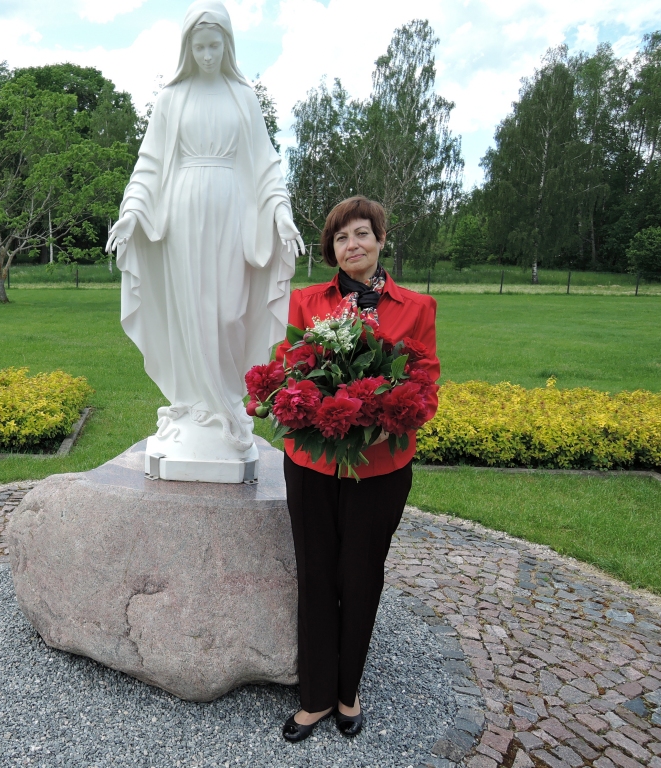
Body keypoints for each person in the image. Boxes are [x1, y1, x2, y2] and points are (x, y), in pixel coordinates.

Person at [106, 0, 303, 466]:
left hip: (233, 212)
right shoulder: (172, 99)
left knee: (229, 313)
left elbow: (265, 162)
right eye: (201, 45)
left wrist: (280, 212)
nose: (209, 54)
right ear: (188, 47)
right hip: (182, 216)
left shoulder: (243, 97)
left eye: (216, 45)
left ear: (228, 45)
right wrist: (132, 211)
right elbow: (150, 163)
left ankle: (225, 404)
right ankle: (195, 408)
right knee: (189, 309)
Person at [275, 196, 440, 742]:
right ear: (331, 249)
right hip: (312, 464)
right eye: (342, 238)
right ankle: (316, 697)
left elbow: (425, 384)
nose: (353, 245)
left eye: (362, 233)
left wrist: (382, 408)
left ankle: (349, 691)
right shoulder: (306, 302)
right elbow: (289, 371)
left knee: (360, 574)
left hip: (381, 466)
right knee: (317, 572)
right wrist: (315, 405)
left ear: (380, 240)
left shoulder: (416, 307)